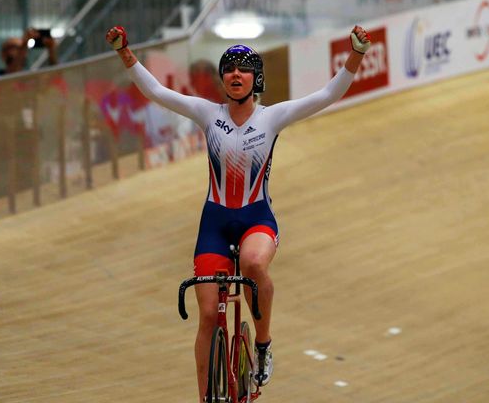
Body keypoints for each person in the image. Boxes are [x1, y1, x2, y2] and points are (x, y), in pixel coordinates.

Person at [106, 24, 371, 401]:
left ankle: (262, 346)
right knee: (208, 314)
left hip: (255, 218)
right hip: (214, 223)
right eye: (229, 68)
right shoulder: (207, 113)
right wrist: (124, 52)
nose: (235, 74)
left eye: (243, 68)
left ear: (255, 79)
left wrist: (356, 54)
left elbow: (328, 94)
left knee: (253, 265)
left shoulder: (272, 117)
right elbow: (157, 92)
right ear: (222, 78)